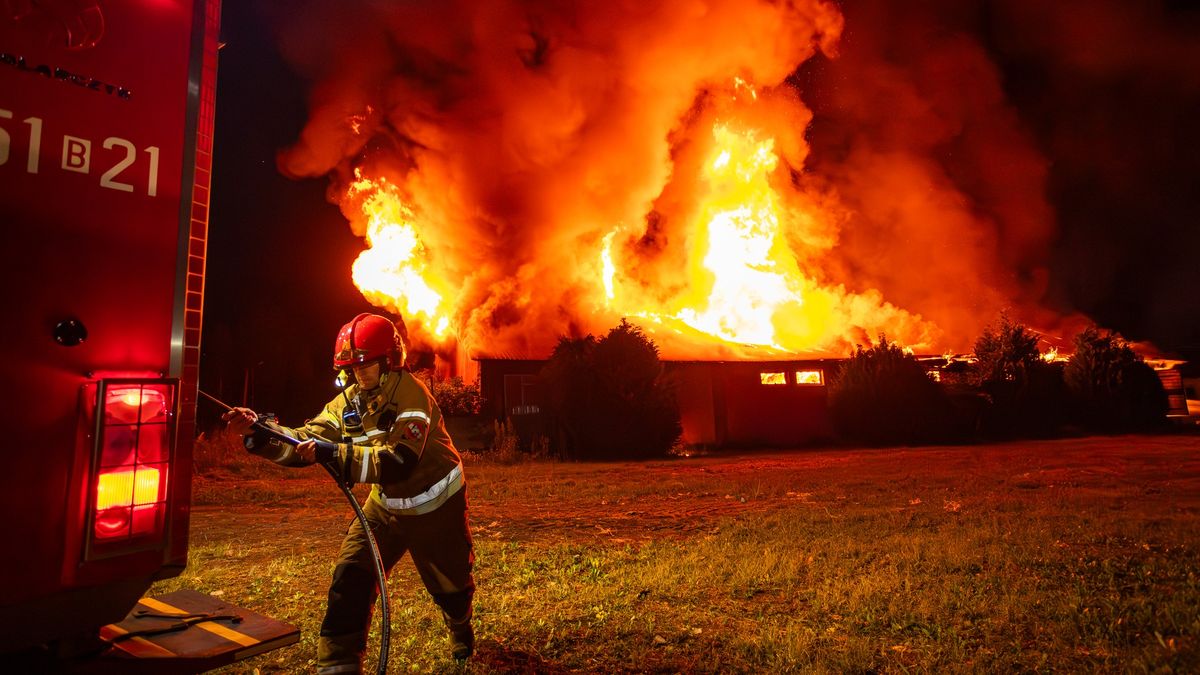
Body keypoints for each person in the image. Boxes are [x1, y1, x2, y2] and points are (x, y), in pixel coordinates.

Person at [222, 313, 475, 673]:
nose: (358, 375)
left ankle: (460, 626)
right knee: (351, 575)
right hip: (385, 507)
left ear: (390, 361)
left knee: (451, 587)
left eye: (366, 365)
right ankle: (338, 664)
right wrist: (260, 432)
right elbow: (304, 440)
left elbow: (398, 462)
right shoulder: (348, 403)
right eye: (351, 368)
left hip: (435, 505)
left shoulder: (412, 395)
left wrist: (334, 453)